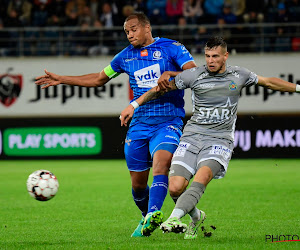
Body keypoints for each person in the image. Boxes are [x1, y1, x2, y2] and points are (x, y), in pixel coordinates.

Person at [120, 36, 300, 239]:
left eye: (215, 56)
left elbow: (269, 82)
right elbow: (158, 90)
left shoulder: (239, 75)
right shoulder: (194, 75)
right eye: (207, 56)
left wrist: (298, 88)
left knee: (201, 177)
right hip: (192, 137)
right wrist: (133, 105)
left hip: (219, 140)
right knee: (175, 187)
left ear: (225, 56)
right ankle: (197, 217)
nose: (210, 60)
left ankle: (173, 218)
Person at [35, 12, 197, 237]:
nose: (129, 34)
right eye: (126, 31)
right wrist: (63, 79)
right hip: (139, 124)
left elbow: (195, 73)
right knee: (138, 185)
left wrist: (171, 74)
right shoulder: (124, 57)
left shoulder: (172, 48)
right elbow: (99, 79)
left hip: (168, 120)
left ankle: (153, 215)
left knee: (161, 165)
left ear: (146, 27)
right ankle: (146, 216)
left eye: (133, 29)